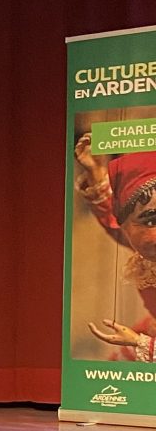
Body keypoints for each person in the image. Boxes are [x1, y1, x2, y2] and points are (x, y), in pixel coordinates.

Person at [73, 138, 156, 360]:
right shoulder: (147, 255)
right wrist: (96, 173)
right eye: (150, 221)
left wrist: (140, 343)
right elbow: (117, 224)